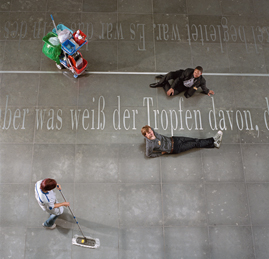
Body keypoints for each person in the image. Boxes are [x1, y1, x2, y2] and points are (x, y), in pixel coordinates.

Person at [141, 125, 223, 158]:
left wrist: (149, 129)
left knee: (195, 140)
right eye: (148, 133)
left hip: (175, 139)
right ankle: (213, 139)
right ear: (146, 136)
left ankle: (214, 144)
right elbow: (148, 154)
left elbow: (150, 129)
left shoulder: (153, 132)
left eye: (150, 131)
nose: (151, 133)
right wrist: (160, 153)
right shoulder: (149, 145)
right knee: (195, 144)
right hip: (175, 148)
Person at [149, 66, 214, 98]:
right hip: (181, 77)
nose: (195, 74)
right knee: (170, 75)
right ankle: (160, 82)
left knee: (171, 93)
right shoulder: (188, 71)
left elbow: (204, 87)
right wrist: (172, 88)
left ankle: (164, 81)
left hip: (184, 86)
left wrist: (207, 91)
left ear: (201, 74)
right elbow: (179, 79)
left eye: (197, 74)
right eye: (195, 72)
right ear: (194, 71)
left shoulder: (202, 80)